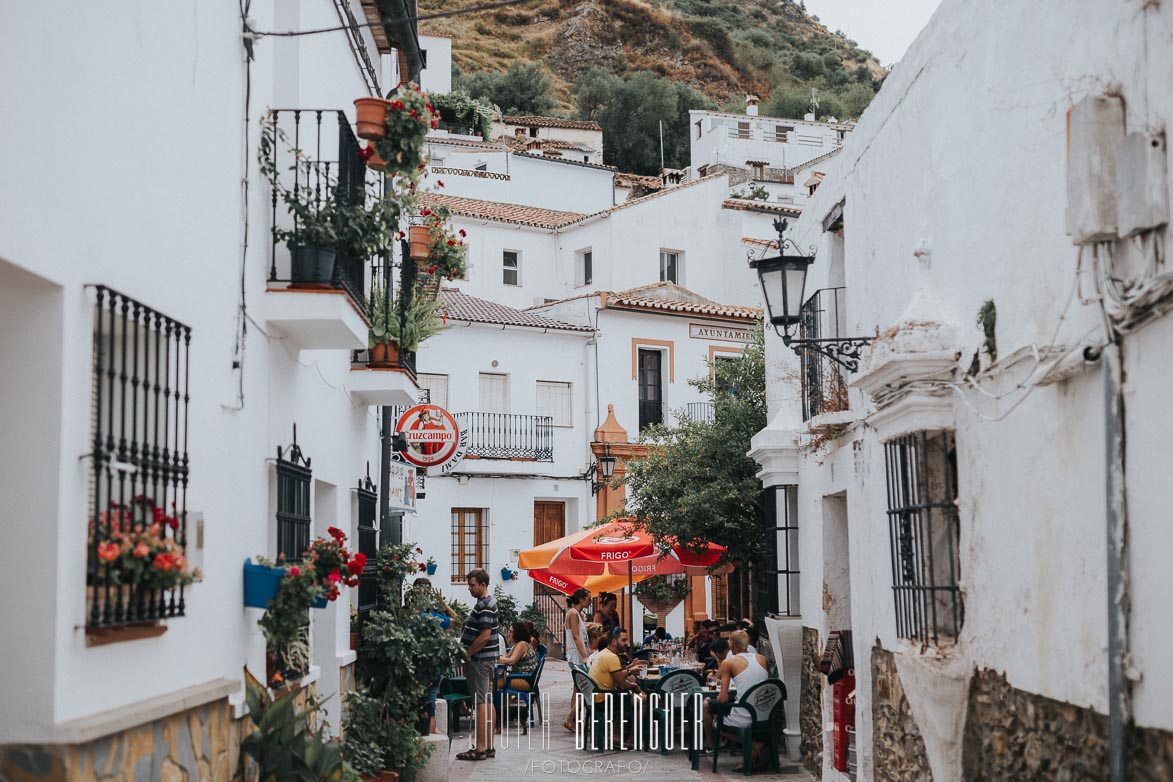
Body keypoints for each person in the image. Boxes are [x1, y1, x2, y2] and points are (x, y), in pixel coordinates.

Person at [702, 630, 770, 770]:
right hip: (764, 713)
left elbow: (723, 699)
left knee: (716, 722)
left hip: (744, 715)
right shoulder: (762, 659)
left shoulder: (729, 663)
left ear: (731, 644)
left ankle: (754, 745)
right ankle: (752, 753)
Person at [457, 568, 501, 762]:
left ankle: (480, 749)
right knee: (487, 701)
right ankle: (489, 746)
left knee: (481, 703)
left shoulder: (484, 605)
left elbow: (484, 636)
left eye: (472, 585)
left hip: (481, 660)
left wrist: (467, 654)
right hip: (487, 660)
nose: (469, 588)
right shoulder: (487, 603)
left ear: (483, 584)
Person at [587, 628, 647, 745]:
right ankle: (632, 739)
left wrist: (629, 669)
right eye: (623, 640)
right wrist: (635, 685)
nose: (626, 643)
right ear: (614, 641)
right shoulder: (612, 657)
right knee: (643, 699)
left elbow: (615, 675)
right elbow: (623, 685)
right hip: (602, 699)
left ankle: (617, 736)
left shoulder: (604, 653)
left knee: (626, 698)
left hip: (595, 697)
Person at [496, 622, 538, 733]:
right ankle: (498, 715)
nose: (508, 634)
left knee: (492, 684)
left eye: (510, 632)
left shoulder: (522, 644)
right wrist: (500, 658)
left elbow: (511, 661)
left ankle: (495, 718)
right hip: (522, 678)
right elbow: (507, 658)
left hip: (523, 680)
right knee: (493, 682)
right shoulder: (518, 644)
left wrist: (494, 658)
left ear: (517, 633)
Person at [563, 588, 592, 732]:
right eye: (588, 598)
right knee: (582, 687)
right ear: (581, 599)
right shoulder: (573, 613)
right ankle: (571, 719)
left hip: (579, 655)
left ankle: (575, 720)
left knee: (577, 688)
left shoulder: (578, 614)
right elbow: (576, 636)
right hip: (577, 656)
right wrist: (585, 656)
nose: (590, 601)